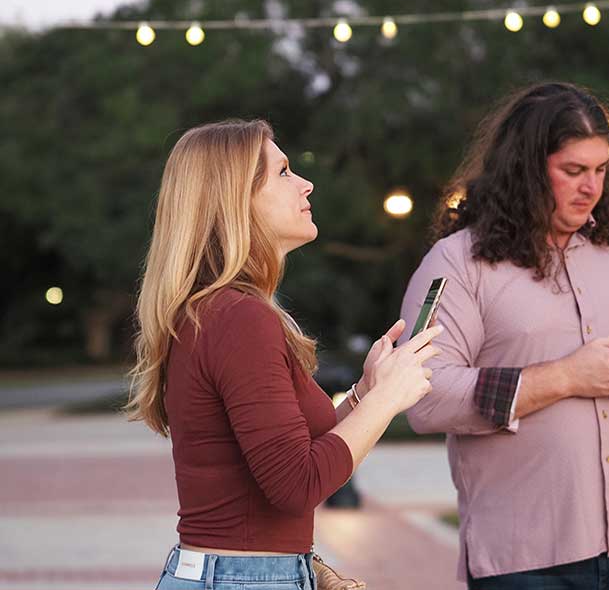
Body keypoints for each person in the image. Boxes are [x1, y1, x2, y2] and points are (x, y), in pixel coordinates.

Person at [400, 82, 609, 589]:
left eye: (600, 170)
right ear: (526, 168)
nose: (591, 187)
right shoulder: (458, 262)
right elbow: (423, 397)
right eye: (573, 171)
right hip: (522, 562)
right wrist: (566, 377)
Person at [126, 119, 441, 590]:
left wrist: (363, 393)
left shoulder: (215, 311)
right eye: (284, 172)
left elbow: (292, 455)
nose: (306, 183)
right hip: (242, 579)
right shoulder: (238, 318)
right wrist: (386, 401)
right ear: (236, 200)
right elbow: (296, 486)